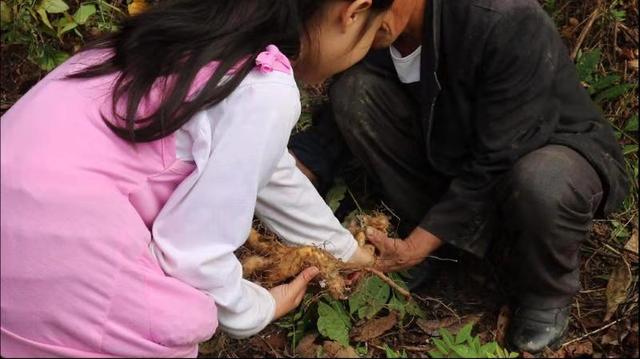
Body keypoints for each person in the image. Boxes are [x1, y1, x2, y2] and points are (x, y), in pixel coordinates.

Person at [0, 0, 394, 357]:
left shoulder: (190, 33)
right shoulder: (265, 88)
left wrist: (342, 249)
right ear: (353, 11)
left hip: (15, 214)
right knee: (178, 321)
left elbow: (269, 168)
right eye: (372, 39)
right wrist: (260, 307)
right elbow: (193, 256)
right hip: (60, 252)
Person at [289, 0, 629, 353]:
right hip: (452, 142)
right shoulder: (383, 24)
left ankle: (546, 288)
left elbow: (501, 155)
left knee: (541, 182)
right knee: (354, 93)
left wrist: (414, 246)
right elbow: (337, 117)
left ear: (355, 10)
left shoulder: (505, 19)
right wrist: (292, 170)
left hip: (543, 148)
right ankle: (441, 238)